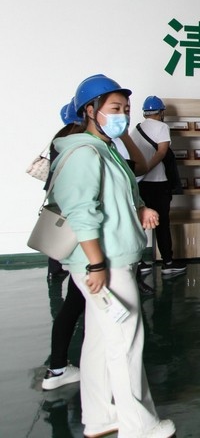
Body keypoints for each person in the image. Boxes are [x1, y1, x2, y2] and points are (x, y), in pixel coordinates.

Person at [49, 74, 175, 438]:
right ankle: (140, 425)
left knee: (101, 342)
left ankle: (101, 417)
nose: (123, 115)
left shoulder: (105, 149)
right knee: (126, 343)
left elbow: (120, 194)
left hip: (111, 258)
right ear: (90, 111)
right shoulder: (84, 152)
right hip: (106, 261)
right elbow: (81, 212)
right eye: (115, 108)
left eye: (126, 109)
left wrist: (140, 209)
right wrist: (97, 264)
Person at [42, 99, 86, 391]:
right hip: (87, 245)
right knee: (80, 304)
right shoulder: (81, 149)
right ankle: (61, 367)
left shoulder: (59, 143)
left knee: (73, 303)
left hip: (73, 240)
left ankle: (58, 365)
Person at [131, 96, 187, 276]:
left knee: (139, 223)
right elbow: (162, 152)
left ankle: (137, 262)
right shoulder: (162, 127)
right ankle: (168, 262)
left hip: (140, 184)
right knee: (162, 224)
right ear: (161, 112)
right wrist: (148, 167)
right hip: (159, 184)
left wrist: (141, 171)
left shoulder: (136, 129)